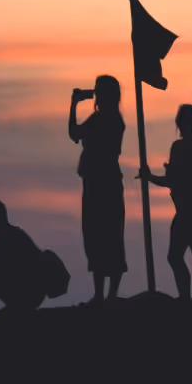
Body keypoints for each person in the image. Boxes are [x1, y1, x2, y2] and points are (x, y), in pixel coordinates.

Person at [139, 105, 192, 300]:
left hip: (189, 207)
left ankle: (188, 298)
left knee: (180, 257)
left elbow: (174, 180)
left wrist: (150, 177)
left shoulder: (180, 147)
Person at [69, 74, 127, 303]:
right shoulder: (100, 118)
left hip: (105, 184)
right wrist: (74, 104)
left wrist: (74, 104)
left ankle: (108, 294)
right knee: (95, 237)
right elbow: (75, 134)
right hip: (95, 183)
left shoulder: (109, 119)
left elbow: (76, 134)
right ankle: (102, 294)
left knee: (109, 236)